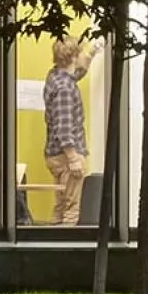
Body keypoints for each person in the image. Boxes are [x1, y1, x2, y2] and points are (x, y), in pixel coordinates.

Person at [44, 40, 90, 226]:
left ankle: (52, 243)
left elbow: (77, 74)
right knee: (71, 209)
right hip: (66, 155)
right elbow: (64, 127)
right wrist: (73, 158)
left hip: (54, 154)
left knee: (61, 205)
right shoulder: (65, 89)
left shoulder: (55, 76)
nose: (82, 56)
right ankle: (66, 246)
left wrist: (92, 52)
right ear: (72, 57)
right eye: (79, 53)